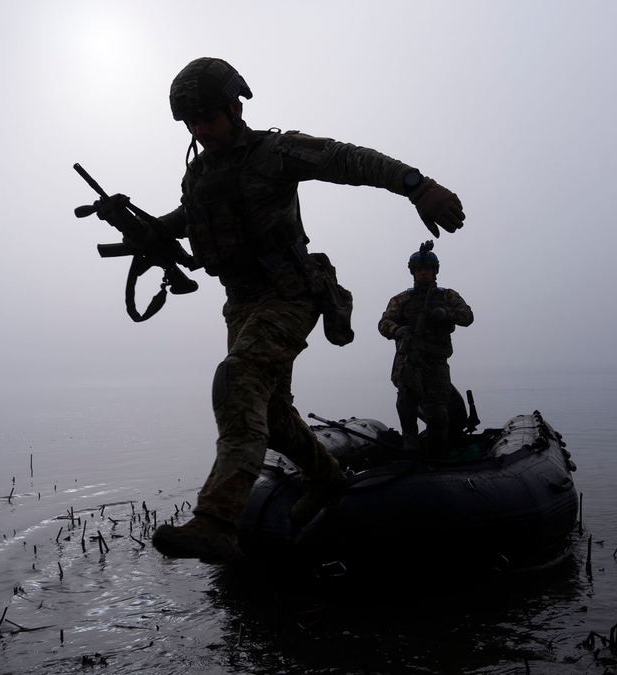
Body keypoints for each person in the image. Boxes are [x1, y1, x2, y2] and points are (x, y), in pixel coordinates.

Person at [112, 57, 465, 562]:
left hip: (290, 292)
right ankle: (328, 479)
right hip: (241, 304)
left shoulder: (275, 152)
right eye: (191, 122)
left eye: (208, 117)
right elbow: (192, 216)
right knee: (274, 417)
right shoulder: (200, 174)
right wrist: (146, 230)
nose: (201, 130)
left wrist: (417, 186)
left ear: (236, 107)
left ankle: (216, 520)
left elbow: (346, 159)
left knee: (239, 376)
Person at [378, 243, 474, 457]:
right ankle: (410, 438)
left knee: (439, 413)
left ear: (434, 272)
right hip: (409, 358)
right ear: (413, 273)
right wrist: (397, 330)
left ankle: (436, 456)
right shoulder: (402, 299)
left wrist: (447, 313)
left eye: (427, 269)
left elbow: (467, 316)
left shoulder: (447, 296)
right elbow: (384, 323)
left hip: (436, 362)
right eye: (419, 270)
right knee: (407, 397)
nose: (423, 273)